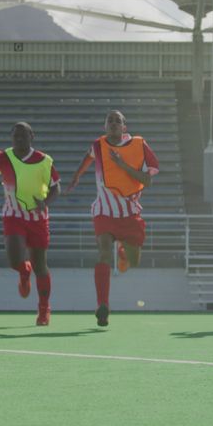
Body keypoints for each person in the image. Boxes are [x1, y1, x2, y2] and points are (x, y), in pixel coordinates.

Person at [66, 110, 158, 327]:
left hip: (129, 214)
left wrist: (122, 165)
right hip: (104, 212)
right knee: (103, 254)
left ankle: (123, 251)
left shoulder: (138, 145)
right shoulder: (98, 146)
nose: (114, 123)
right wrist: (76, 177)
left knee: (134, 261)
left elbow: (148, 179)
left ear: (124, 127)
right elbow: (87, 157)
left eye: (118, 121)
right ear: (105, 126)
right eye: (110, 120)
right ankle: (102, 306)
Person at [0, 122, 60, 326]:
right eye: (16, 136)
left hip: (38, 219)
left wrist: (46, 203)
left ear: (32, 136)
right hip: (13, 214)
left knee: (40, 265)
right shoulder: (2, 157)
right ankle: (23, 271)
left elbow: (56, 188)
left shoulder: (44, 161)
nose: (19, 139)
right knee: (14, 260)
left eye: (24, 135)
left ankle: (44, 309)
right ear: (11, 137)